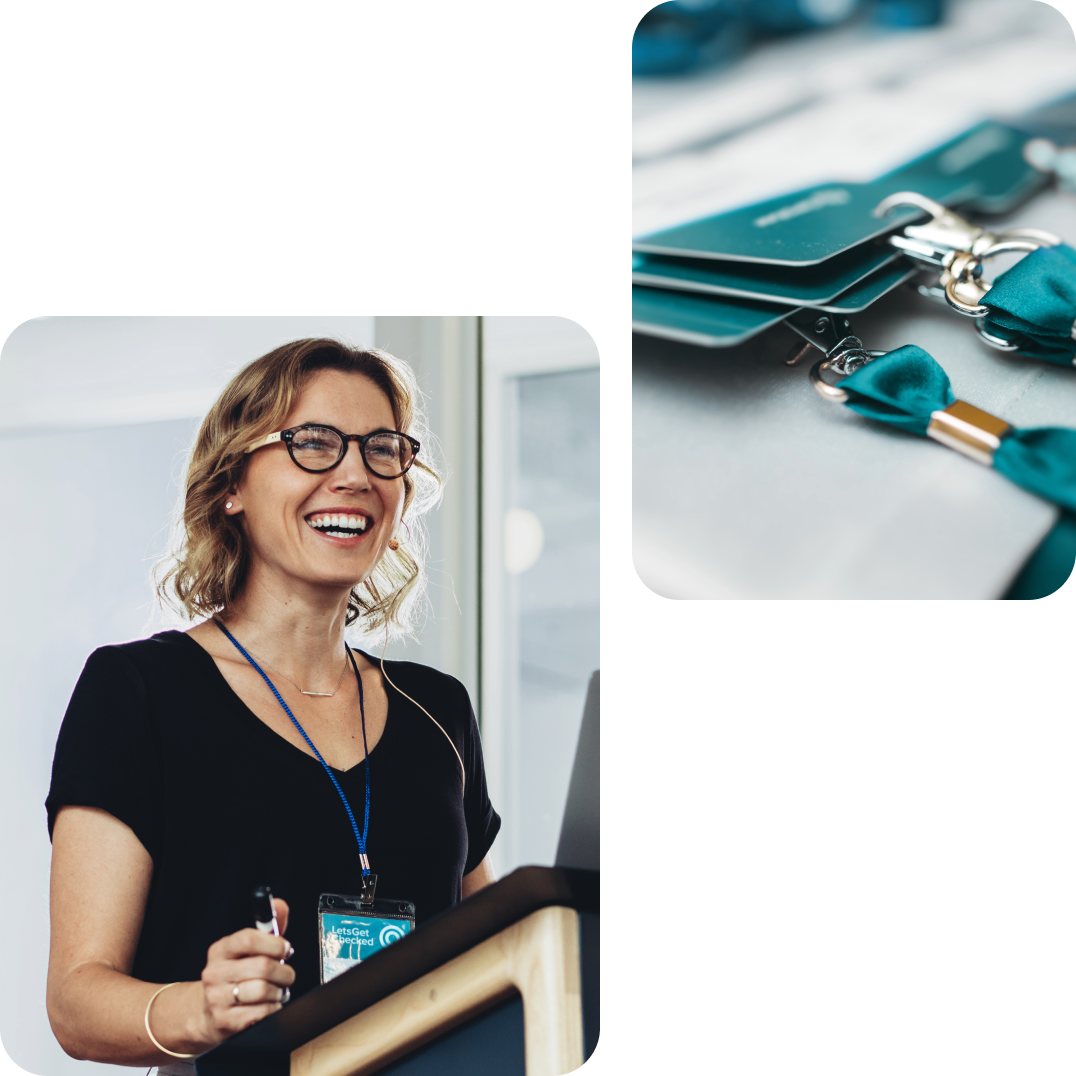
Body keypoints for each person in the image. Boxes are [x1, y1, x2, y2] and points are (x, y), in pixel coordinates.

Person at [45, 338, 499, 1072]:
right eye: (313, 443)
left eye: (383, 449)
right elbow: (74, 1002)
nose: (355, 473)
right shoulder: (136, 691)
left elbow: (494, 949)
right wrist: (201, 1007)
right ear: (233, 484)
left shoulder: (437, 711)